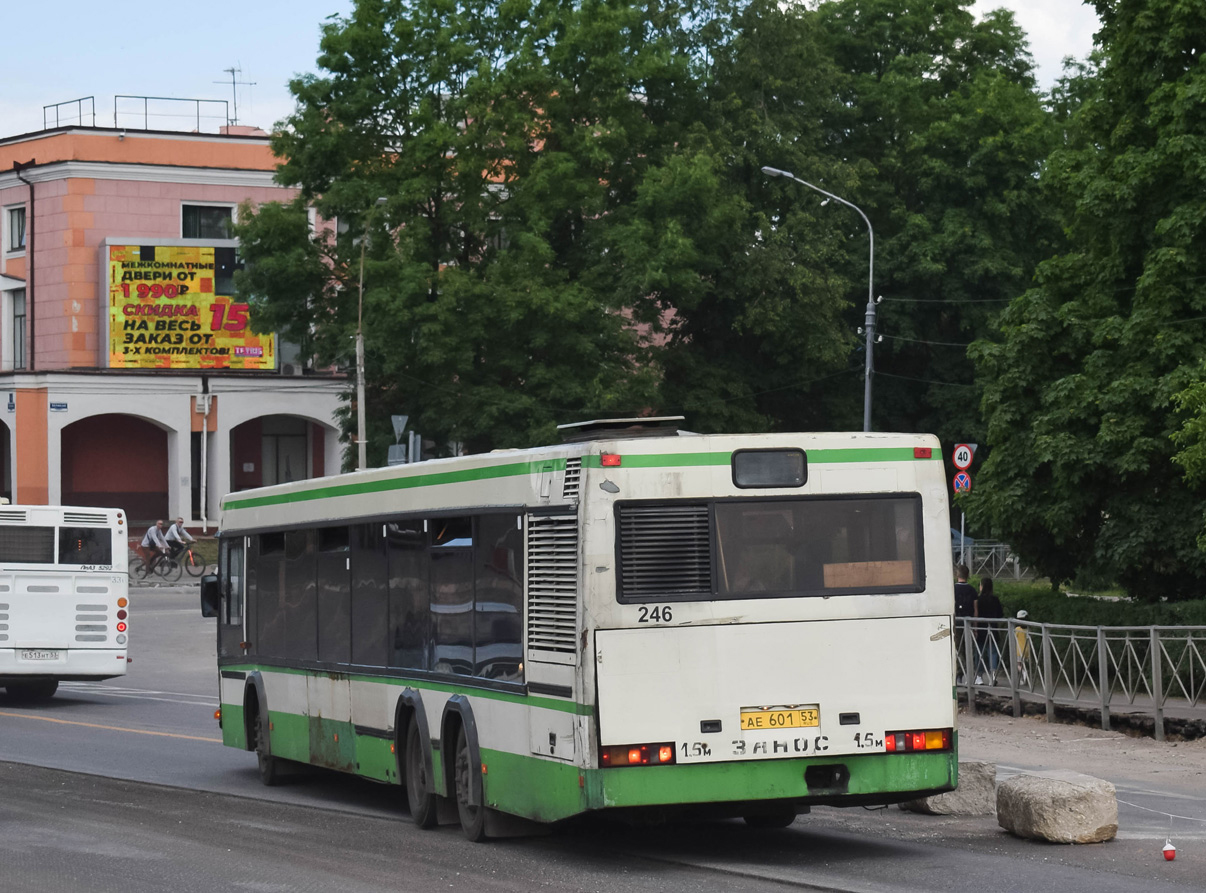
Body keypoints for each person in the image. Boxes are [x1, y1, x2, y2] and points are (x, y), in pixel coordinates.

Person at [974, 577, 1004, 685]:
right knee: (993, 653)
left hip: (981, 629)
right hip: (993, 628)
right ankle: (993, 676)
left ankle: (979, 676)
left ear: (981, 586)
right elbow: (1000, 614)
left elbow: (975, 613)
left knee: (979, 653)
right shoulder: (995, 599)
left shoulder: (978, 599)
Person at [953, 564, 976, 683]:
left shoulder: (952, 589)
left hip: (956, 623)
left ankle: (959, 674)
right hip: (969, 623)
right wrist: (975, 625)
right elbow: (975, 609)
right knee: (969, 649)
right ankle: (970, 675)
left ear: (957, 575)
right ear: (968, 575)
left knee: (958, 649)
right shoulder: (972, 590)